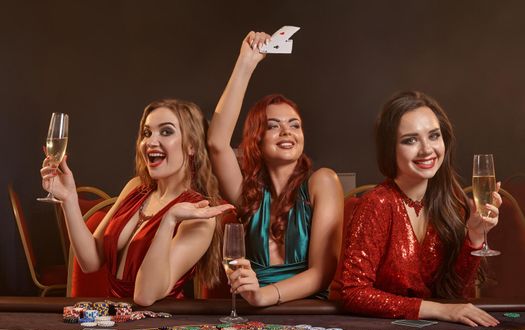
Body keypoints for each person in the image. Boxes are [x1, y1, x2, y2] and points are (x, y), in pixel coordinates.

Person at [40, 99, 233, 306]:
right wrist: (68, 198)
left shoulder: (199, 216)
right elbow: (90, 260)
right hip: (112, 320)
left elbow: (144, 296)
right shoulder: (136, 187)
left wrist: (169, 220)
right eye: (147, 133)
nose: (150, 142)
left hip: (157, 328)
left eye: (166, 132)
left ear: (192, 145)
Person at [335, 91, 501, 327]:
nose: (426, 149)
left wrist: (474, 236)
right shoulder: (377, 204)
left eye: (434, 136)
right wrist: (439, 311)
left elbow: (455, 295)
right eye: (410, 140)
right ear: (390, 149)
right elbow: (353, 292)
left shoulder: (452, 203)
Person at [207, 31, 344, 306]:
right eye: (273, 125)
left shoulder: (322, 182)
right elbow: (216, 143)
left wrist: (264, 296)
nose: (287, 132)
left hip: (309, 312)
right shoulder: (248, 193)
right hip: (253, 312)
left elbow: (322, 273)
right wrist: (246, 62)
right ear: (256, 137)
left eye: (294, 124)